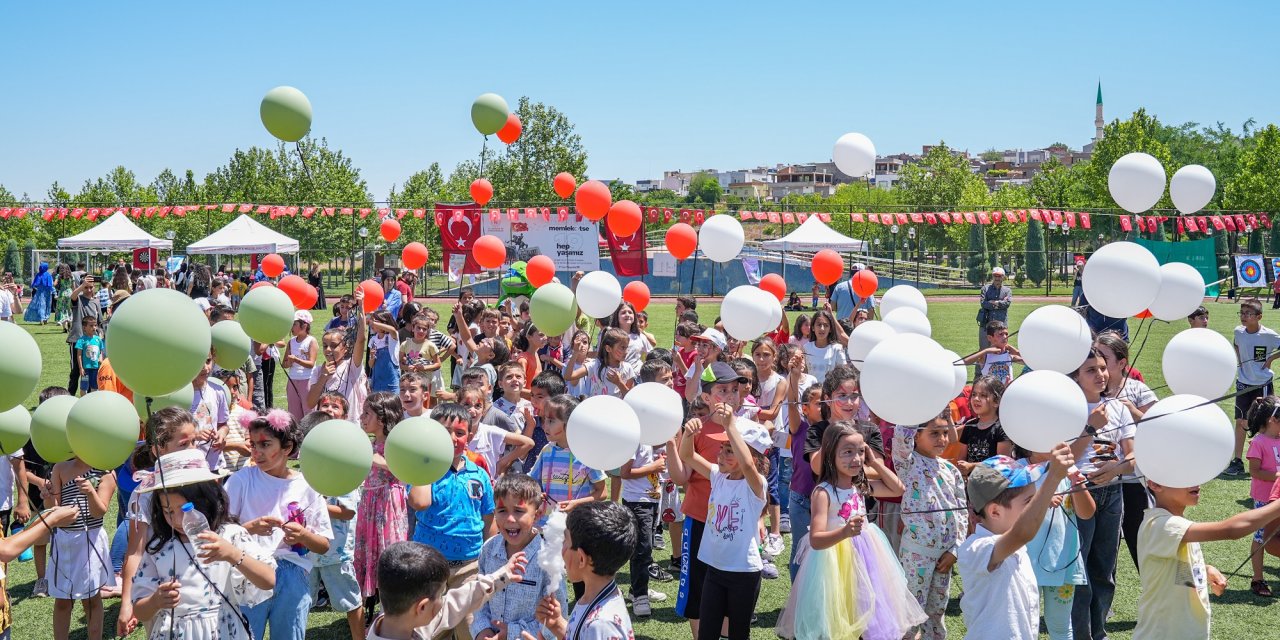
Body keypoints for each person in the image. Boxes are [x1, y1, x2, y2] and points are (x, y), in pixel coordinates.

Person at [778, 421, 924, 640]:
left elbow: (898, 488)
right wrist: (844, 532)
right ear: (830, 454)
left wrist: (874, 461)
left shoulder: (860, 485)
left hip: (866, 558)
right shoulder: (823, 492)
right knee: (839, 616)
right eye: (847, 452)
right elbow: (816, 540)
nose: (855, 459)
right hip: (834, 564)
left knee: (868, 610)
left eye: (860, 452)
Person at [130, 449, 277, 640]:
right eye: (168, 511)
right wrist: (156, 600)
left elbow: (268, 580)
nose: (177, 520)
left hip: (224, 631)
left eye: (185, 509)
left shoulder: (230, 536)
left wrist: (233, 555)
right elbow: (140, 611)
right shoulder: (159, 548)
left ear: (206, 500)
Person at [225, 410, 334, 640]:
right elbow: (220, 532)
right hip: (248, 571)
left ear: (287, 447)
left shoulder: (306, 486)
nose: (256, 452)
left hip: (293, 575)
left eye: (265, 444)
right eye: (253, 444)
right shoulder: (240, 481)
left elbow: (323, 544)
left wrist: (303, 535)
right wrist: (248, 528)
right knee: (243, 634)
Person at [1133, 480, 1280, 639]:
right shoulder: (1160, 525)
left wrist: (1205, 569)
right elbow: (1231, 530)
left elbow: (1169, 571)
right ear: (1155, 484)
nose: (1195, 482)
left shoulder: (1177, 524)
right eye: (1183, 477)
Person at [678, 397, 770, 640]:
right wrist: (687, 434)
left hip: (743, 573)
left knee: (738, 634)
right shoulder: (718, 476)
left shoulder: (756, 485)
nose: (721, 455)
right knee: (707, 632)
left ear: (752, 455)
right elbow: (687, 456)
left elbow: (748, 465)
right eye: (721, 448)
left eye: (730, 450)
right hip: (715, 569)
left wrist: (730, 426)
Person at [958, 448, 1073, 640]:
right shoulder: (976, 548)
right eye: (1029, 502)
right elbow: (1022, 532)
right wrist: (1053, 479)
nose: (1035, 508)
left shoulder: (1016, 546)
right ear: (995, 512)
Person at [407, 402, 497, 640]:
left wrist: (492, 555)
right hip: (430, 565)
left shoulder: (479, 474)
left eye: (459, 433)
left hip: (470, 564)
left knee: (470, 625)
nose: (452, 438)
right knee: (429, 627)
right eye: (444, 432)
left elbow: (489, 517)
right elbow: (419, 502)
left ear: (470, 435)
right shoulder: (422, 471)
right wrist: (426, 464)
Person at [1069, 349, 1133, 640]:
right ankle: (1081, 633)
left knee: (1104, 568)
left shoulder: (1118, 407)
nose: (1100, 375)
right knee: (1079, 569)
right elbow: (1065, 457)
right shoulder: (1069, 408)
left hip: (1113, 491)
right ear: (1076, 377)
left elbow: (1132, 457)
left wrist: (1117, 468)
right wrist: (1090, 427)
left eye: (1102, 368)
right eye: (1090, 370)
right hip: (1080, 492)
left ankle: (1099, 632)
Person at [893, 414, 968, 640]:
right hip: (917, 554)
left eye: (945, 433)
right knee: (911, 614)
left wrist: (955, 549)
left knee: (936, 612)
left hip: (944, 557)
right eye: (934, 433)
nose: (942, 439)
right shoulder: (908, 463)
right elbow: (900, 439)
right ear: (916, 436)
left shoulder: (951, 470)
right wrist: (915, 407)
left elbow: (962, 512)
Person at [1013, 443, 1095, 640]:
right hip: (1023, 563)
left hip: (1061, 562)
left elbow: (1086, 513)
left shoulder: (1066, 471)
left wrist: (1077, 482)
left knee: (1061, 627)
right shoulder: (1016, 469)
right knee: (1024, 626)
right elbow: (1007, 511)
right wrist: (1040, 500)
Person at [471, 473, 569, 639]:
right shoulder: (488, 550)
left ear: (537, 515)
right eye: (502, 510)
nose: (510, 519)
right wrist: (483, 630)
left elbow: (555, 620)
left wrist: (512, 632)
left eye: (518, 511)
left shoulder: (548, 559)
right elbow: (479, 600)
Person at [366, 541, 527, 640]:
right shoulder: (415, 624)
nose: (445, 599)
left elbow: (456, 602)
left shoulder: (400, 620)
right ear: (422, 607)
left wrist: (502, 575)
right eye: (441, 595)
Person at [532, 501, 636, 640]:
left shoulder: (600, 625)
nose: (561, 549)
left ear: (581, 559)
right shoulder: (595, 595)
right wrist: (558, 624)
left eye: (565, 541)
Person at [49, 451, 117, 640]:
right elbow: (55, 512)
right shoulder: (60, 468)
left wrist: (90, 492)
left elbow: (99, 512)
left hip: (91, 541)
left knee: (91, 599)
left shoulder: (105, 472)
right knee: (62, 600)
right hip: (64, 541)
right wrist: (48, 496)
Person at [355, 393, 410, 620]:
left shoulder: (395, 444)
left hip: (388, 502)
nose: (362, 417)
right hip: (369, 502)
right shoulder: (369, 443)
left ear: (383, 417)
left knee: (388, 550)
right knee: (369, 551)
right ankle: (370, 603)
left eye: (368, 413)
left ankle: (392, 607)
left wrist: (381, 462)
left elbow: (407, 472)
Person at [528, 395, 606, 521]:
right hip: (546, 525)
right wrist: (536, 493)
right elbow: (532, 482)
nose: (544, 426)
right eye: (545, 420)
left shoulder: (586, 453)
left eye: (551, 421)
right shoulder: (547, 451)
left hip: (577, 525)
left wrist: (576, 504)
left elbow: (602, 493)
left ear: (570, 424)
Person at [620, 420, 668, 617]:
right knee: (642, 549)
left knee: (644, 548)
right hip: (637, 503)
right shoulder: (633, 439)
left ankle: (636, 589)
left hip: (650, 500)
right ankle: (640, 595)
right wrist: (654, 466)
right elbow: (625, 472)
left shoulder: (648, 438)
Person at [1230, 298, 1280, 476]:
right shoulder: (1239, 332)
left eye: (1248, 314)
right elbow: (1236, 343)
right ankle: (1237, 461)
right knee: (1241, 422)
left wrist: (1270, 359)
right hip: (1243, 383)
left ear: (1259, 316)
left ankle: (1268, 460)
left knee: (1266, 423)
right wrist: (1239, 360)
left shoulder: (1268, 335)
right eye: (1241, 313)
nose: (1243, 317)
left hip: (1263, 384)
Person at [307, 288, 369, 422]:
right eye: (325, 346)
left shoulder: (352, 367)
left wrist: (361, 305)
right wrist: (323, 377)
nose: (328, 350)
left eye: (334, 346)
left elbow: (361, 339)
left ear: (345, 348)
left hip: (349, 428)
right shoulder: (318, 371)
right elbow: (311, 403)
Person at [1244, 396, 1280, 596]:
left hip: (1279, 498)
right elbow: (1255, 472)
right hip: (1265, 499)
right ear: (1272, 420)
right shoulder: (1258, 442)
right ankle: (1257, 578)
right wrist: (1278, 475)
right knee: (1261, 538)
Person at [955, 375, 1013, 476]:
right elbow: (962, 457)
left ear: (996, 402)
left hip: (993, 485)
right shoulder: (969, 426)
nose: (976, 399)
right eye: (974, 394)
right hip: (971, 485)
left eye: (983, 395)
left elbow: (1002, 463)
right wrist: (962, 469)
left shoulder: (1001, 428)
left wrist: (972, 466)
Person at [65, 274, 102, 393]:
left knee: (92, 369)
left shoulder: (96, 302)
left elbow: (100, 323)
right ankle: (70, 395)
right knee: (76, 371)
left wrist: (100, 337)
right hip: (77, 340)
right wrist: (82, 286)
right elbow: (73, 296)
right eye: (86, 287)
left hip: (92, 342)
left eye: (91, 287)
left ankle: (90, 396)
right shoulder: (79, 299)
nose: (89, 290)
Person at [282, 310, 318, 420]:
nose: (291, 327)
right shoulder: (291, 342)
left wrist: (296, 360)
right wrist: (289, 362)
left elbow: (311, 363)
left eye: (294, 324)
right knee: (293, 411)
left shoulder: (311, 341)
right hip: (293, 379)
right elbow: (284, 364)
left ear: (304, 325)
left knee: (308, 411)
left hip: (307, 380)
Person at [803, 309, 848, 382]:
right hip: (812, 391)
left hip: (830, 392)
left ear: (830, 329)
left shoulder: (837, 348)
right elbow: (804, 373)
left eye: (826, 325)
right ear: (813, 328)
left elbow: (844, 374)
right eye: (819, 324)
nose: (822, 328)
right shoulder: (806, 347)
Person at [977, 267, 1012, 354]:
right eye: (995, 276)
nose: (997, 278)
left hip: (1001, 326)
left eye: (999, 276)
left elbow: (1007, 304)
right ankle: (982, 368)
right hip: (986, 325)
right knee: (983, 351)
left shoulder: (1007, 291)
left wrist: (994, 302)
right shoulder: (985, 289)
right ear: (992, 277)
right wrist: (1000, 304)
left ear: (1003, 277)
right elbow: (983, 303)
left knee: (1001, 350)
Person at [73, 315, 104, 395]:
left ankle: (94, 403)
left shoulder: (98, 339)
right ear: (84, 328)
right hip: (86, 369)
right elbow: (79, 355)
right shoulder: (81, 340)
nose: (94, 328)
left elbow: (100, 351)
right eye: (91, 326)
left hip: (96, 368)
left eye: (95, 325)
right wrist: (81, 368)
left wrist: (100, 359)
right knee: (84, 387)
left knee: (95, 386)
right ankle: (83, 402)